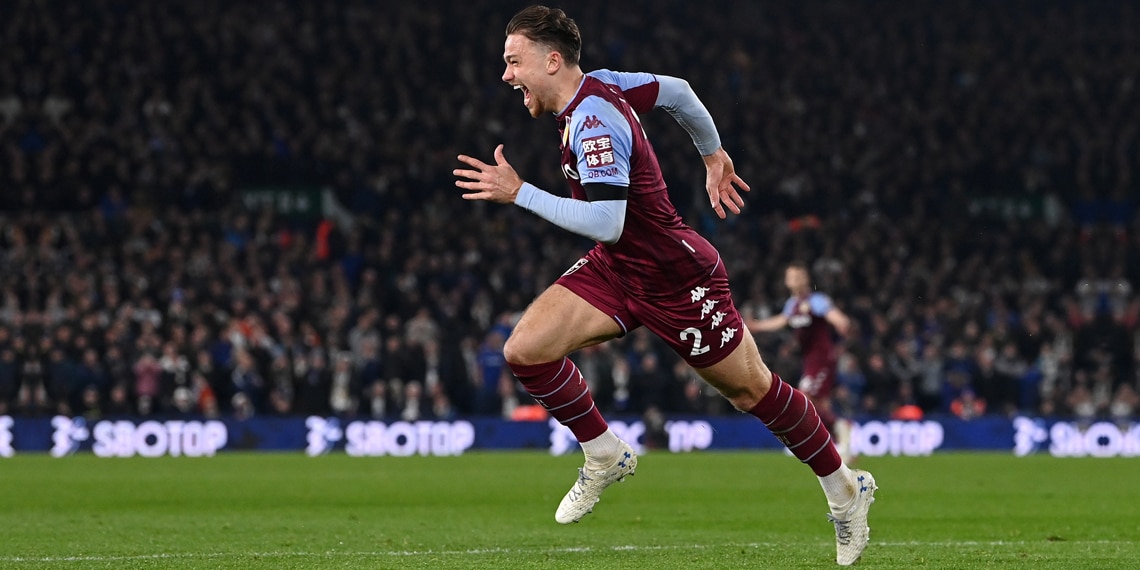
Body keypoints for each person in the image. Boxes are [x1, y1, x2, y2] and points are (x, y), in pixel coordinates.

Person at [454, 6, 876, 565]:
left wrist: (520, 193)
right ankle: (604, 454)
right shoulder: (598, 86)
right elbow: (677, 92)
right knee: (525, 349)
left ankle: (845, 491)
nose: (506, 75)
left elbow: (609, 220)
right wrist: (711, 152)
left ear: (551, 61)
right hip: (619, 267)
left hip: (676, 278)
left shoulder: (594, 122)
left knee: (753, 392)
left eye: (513, 61)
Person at [747, 262, 856, 462]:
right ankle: (840, 447)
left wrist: (841, 323)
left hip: (822, 358)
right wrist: (756, 326)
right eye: (790, 277)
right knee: (820, 403)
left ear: (805, 279)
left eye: (796, 276)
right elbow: (781, 321)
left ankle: (841, 425)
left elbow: (836, 317)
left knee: (805, 397)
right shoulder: (792, 304)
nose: (792, 280)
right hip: (809, 359)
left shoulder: (816, 301)